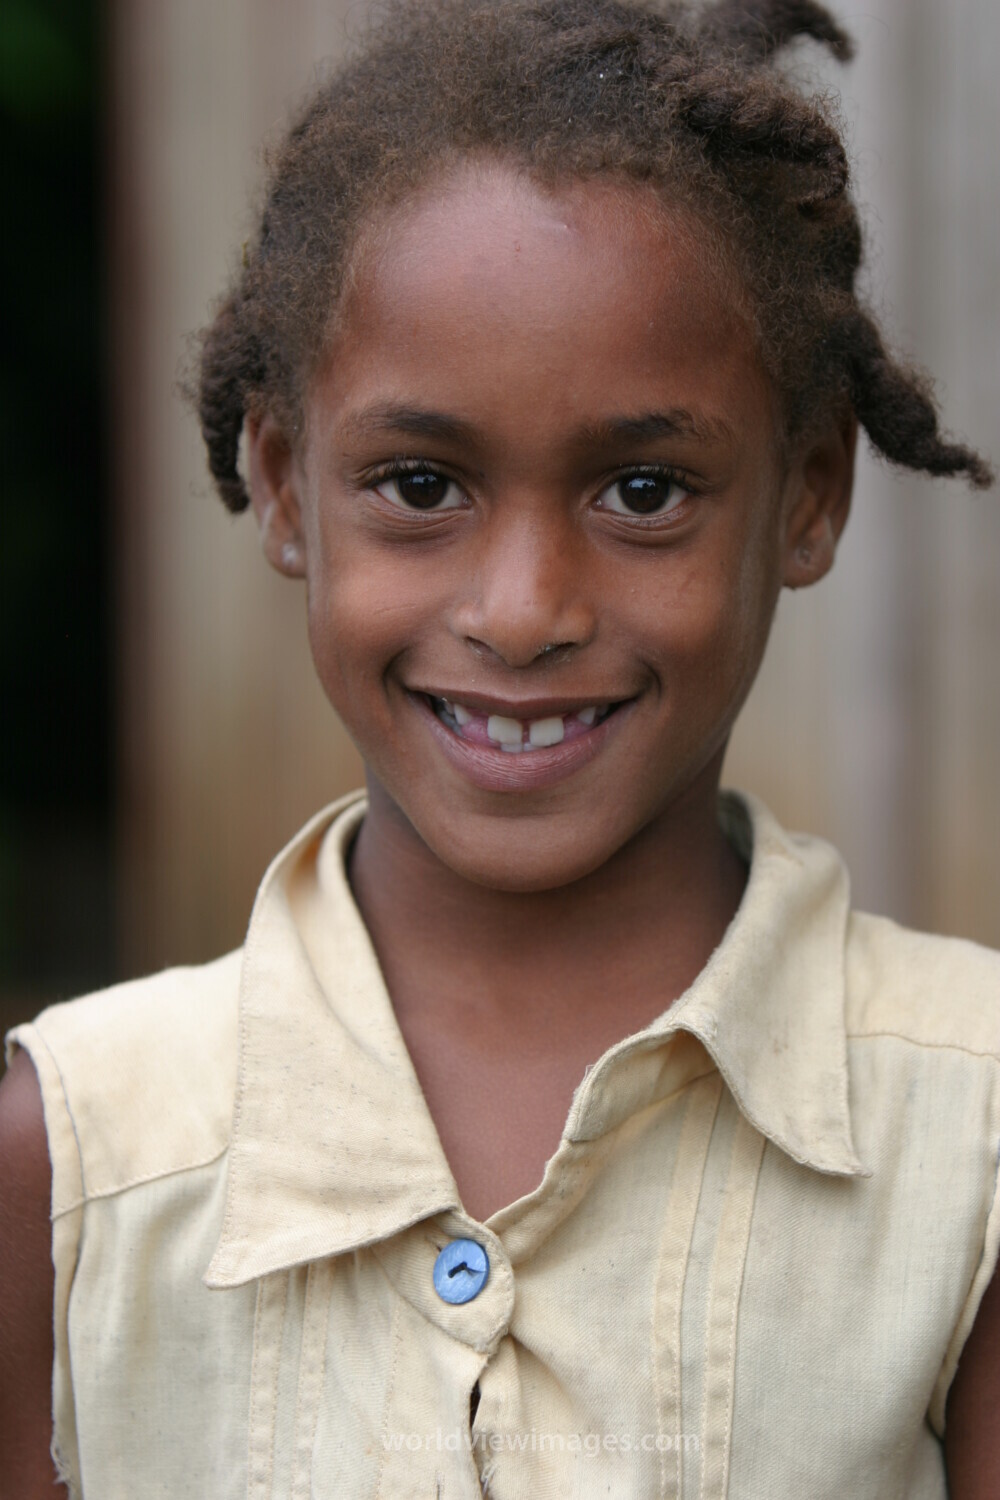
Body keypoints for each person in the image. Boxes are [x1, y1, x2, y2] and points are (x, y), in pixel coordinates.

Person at [1, 0, 998, 1494]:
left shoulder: (973, 1138)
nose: (523, 610)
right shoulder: (73, 1164)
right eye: (419, 482)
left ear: (808, 496)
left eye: (645, 491)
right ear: (281, 486)